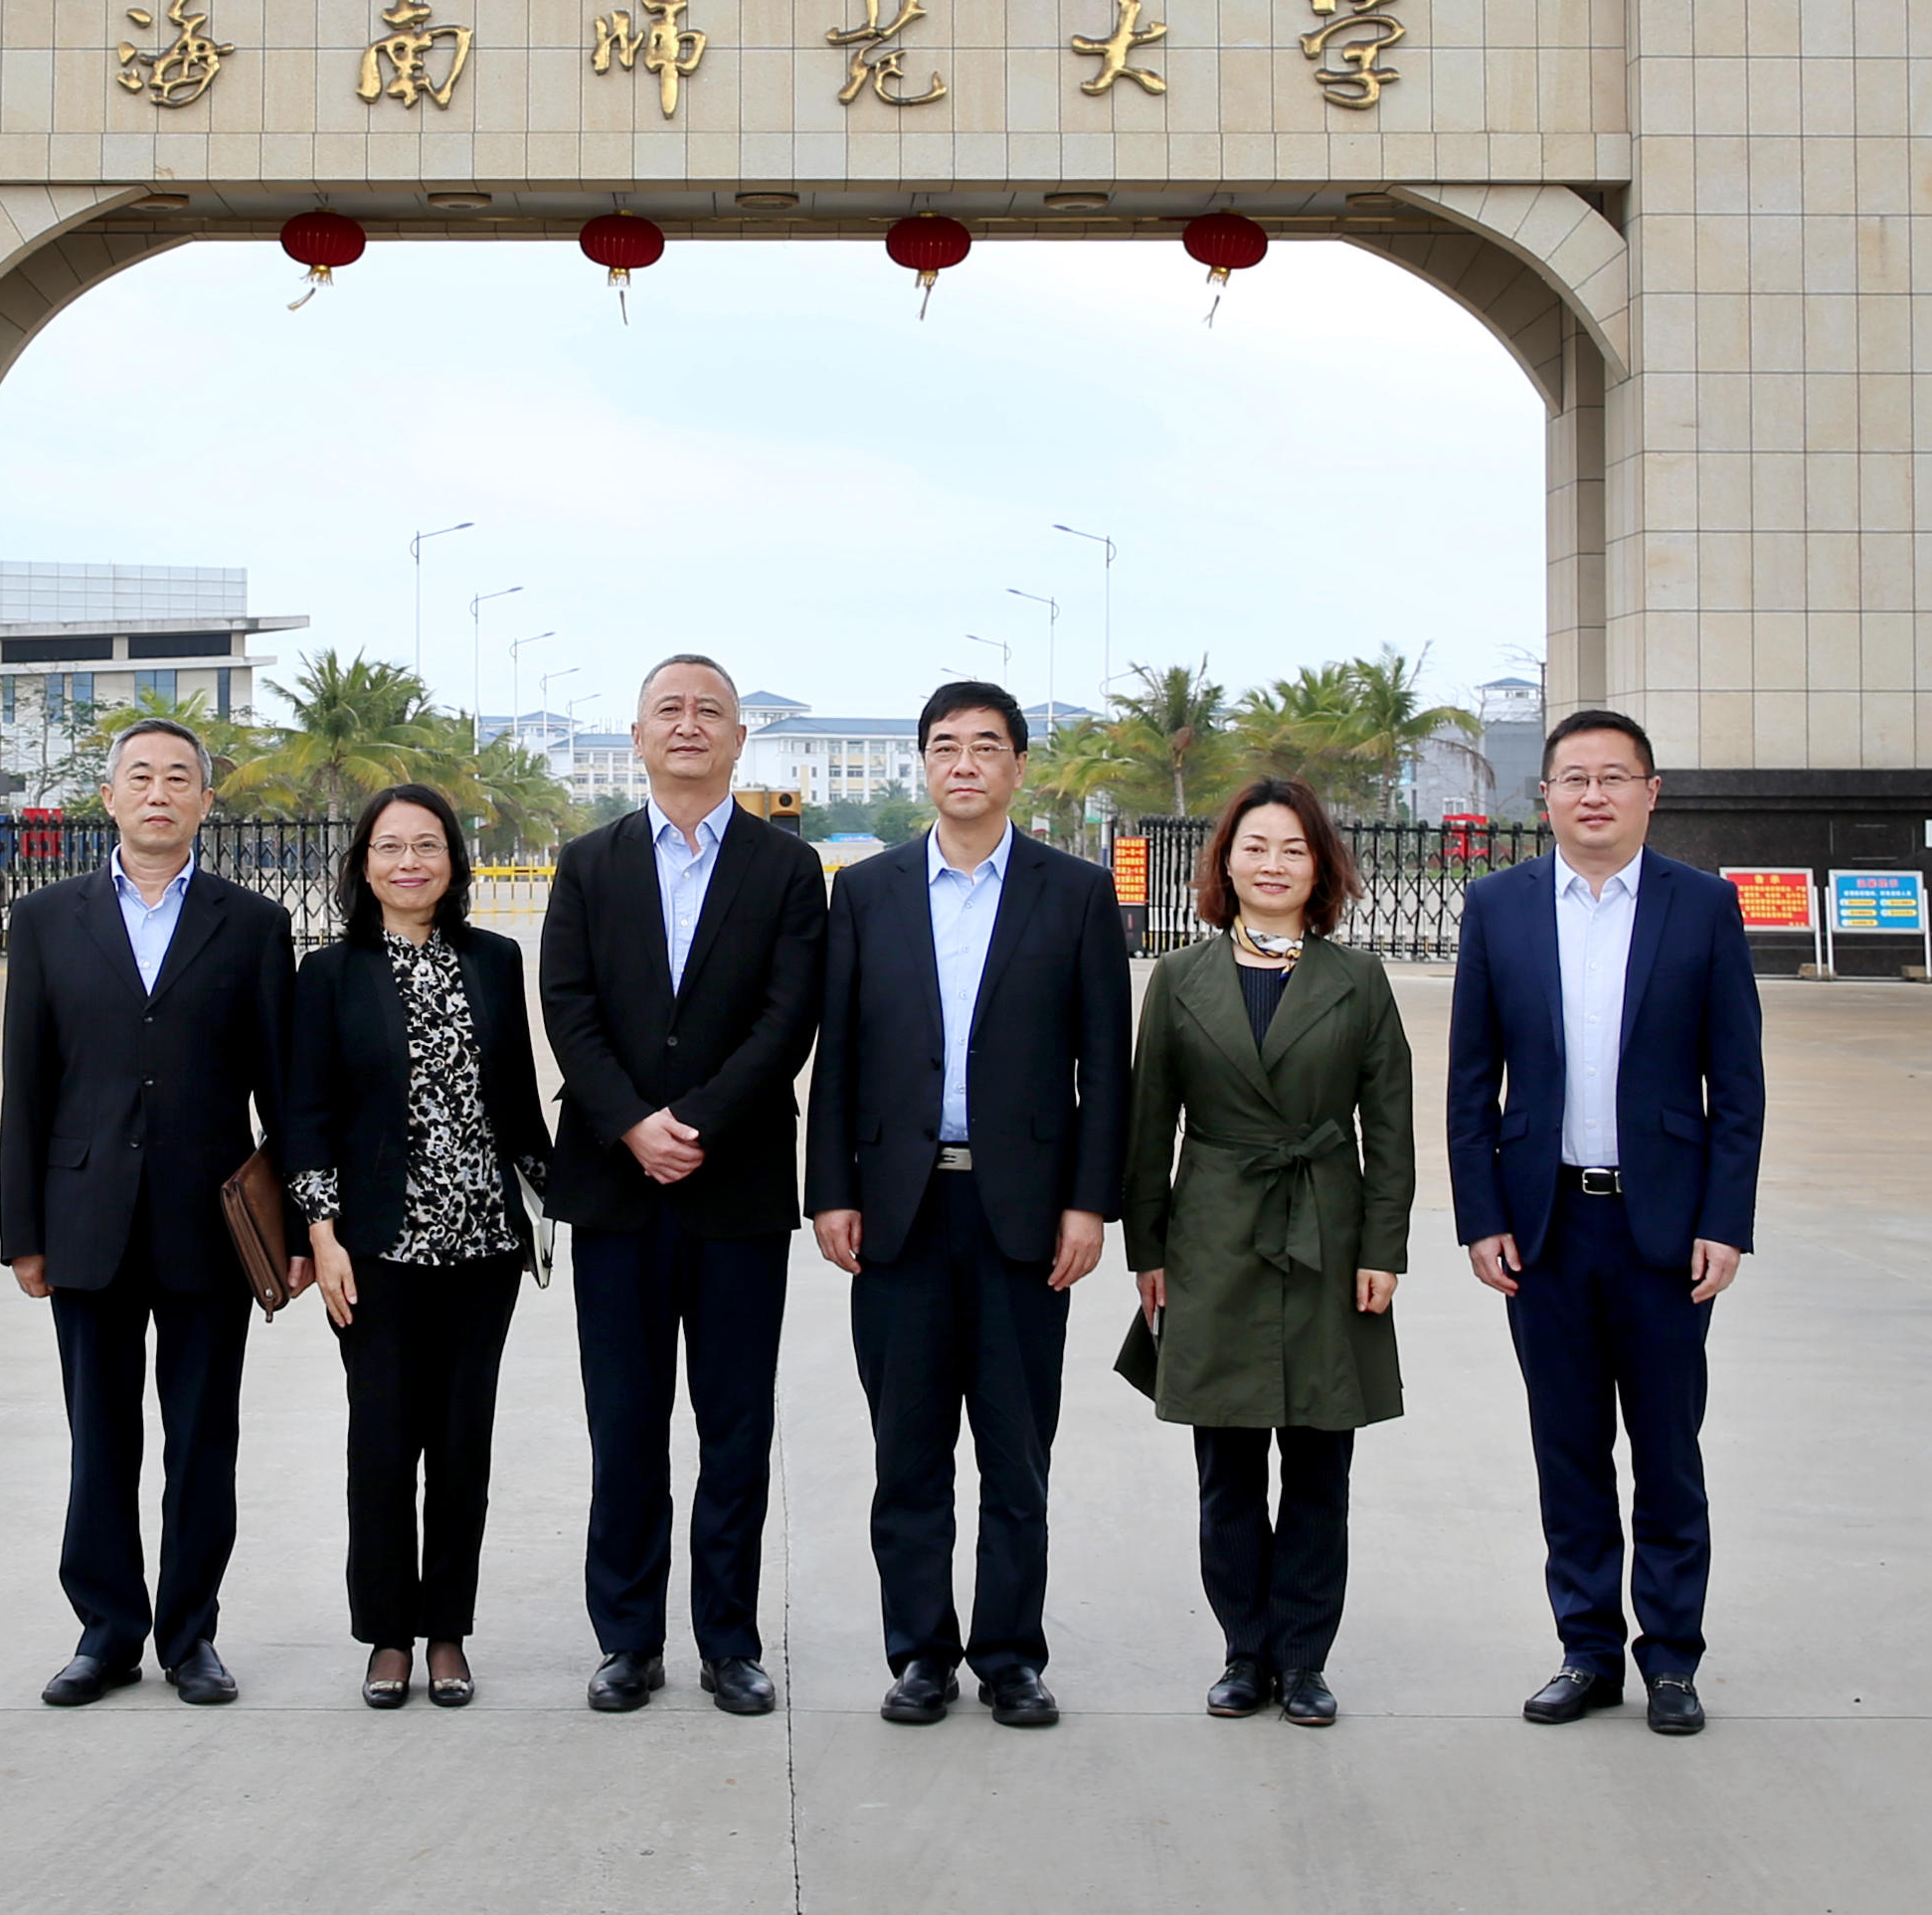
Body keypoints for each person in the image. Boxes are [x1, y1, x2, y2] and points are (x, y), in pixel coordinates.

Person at [807, 679, 1130, 1728]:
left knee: (1013, 1451)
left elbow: (1105, 1068)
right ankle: (919, 1653)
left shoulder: (1073, 893)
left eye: (984, 746)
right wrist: (830, 1195)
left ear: (1016, 766)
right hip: (897, 1212)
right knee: (906, 1453)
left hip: (1024, 1217)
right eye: (943, 746)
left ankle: (1008, 1655)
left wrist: (1088, 1204)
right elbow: (838, 1058)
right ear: (923, 764)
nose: (962, 764)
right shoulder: (867, 891)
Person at [1449, 708, 1766, 1737]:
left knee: (1667, 1449)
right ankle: (1585, 1651)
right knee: (1568, 1449)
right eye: (1572, 777)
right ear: (1541, 795)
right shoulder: (1495, 908)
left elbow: (1738, 1080)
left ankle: (1670, 1659)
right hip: (1542, 1226)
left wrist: (1726, 1217)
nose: (1593, 794)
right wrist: (1478, 1214)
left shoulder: (1701, 905)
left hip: (1665, 1229)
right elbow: (1468, 1080)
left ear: (1649, 791)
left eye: (1613, 777)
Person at [538, 652, 828, 1717]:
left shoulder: (787, 869)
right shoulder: (587, 862)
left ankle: (728, 1639)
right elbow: (566, 1004)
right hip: (615, 1192)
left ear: (740, 738)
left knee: (734, 1424)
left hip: (735, 1185)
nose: (690, 723)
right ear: (637, 736)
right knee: (624, 1424)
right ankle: (625, 1639)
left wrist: (695, 1119)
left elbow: (787, 1014)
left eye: (711, 710)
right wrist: (628, 1122)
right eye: (670, 708)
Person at [0, 717, 304, 1710]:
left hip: (208, 1227)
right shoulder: (45, 920)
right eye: (141, 775)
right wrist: (23, 1232)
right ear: (111, 796)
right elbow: (26, 1086)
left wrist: (295, 1232)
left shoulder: (251, 924)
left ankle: (190, 1635)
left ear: (205, 803)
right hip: (83, 1219)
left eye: (180, 777)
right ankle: (105, 1632)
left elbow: (283, 1096)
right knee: (100, 1438)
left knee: (201, 1439)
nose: (160, 790)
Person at [1122, 778, 1414, 1728]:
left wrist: (1385, 1247)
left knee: (1322, 1463)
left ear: (1321, 866)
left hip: (1326, 1234)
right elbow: (1147, 1126)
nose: (1274, 864)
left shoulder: (1358, 981)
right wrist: (1148, 1248)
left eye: (1294, 849)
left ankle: (1306, 1657)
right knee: (1229, 1468)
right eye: (1256, 847)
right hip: (1213, 1236)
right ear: (1226, 863)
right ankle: (1245, 1652)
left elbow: (1392, 1128)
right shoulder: (1179, 979)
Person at [286, 785, 551, 1712]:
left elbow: (518, 1102)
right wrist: (320, 1235)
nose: (410, 863)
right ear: (364, 863)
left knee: (463, 1446)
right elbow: (304, 1115)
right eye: (390, 847)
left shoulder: (494, 960)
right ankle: (388, 1636)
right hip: (375, 1252)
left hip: (482, 1251)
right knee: (384, 1442)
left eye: (427, 846)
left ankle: (449, 1634)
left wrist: (562, 1201)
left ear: (453, 861)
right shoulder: (328, 974)